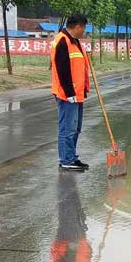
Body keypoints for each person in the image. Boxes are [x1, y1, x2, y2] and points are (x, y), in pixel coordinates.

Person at [51, 13, 91, 171]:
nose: (84, 32)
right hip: (67, 95)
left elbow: (79, 68)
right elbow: (62, 71)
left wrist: (83, 90)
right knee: (67, 128)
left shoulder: (76, 42)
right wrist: (69, 93)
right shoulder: (62, 41)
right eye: (84, 28)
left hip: (78, 93)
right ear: (78, 26)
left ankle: (72, 157)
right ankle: (66, 159)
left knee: (75, 128)